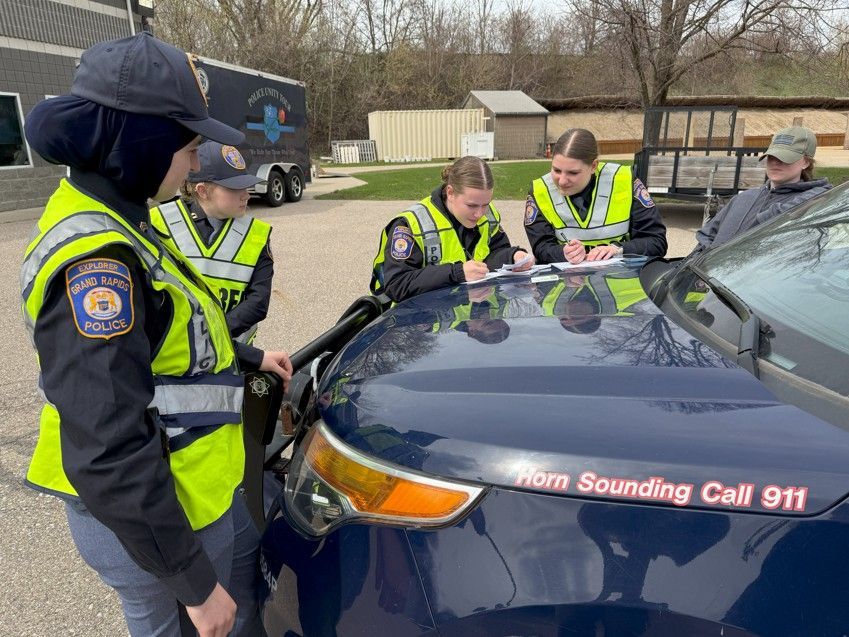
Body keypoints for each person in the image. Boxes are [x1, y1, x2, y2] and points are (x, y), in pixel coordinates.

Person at [20, 33, 293, 637]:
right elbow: (108, 443)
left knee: (247, 578)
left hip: (201, 487)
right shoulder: (98, 262)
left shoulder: (125, 213)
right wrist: (193, 584)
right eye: (189, 146)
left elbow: (170, 343)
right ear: (142, 138)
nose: (196, 163)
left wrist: (248, 355)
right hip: (161, 520)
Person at [150, 141, 273, 344]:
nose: (246, 194)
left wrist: (208, 334)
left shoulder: (257, 233)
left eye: (246, 185)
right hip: (175, 357)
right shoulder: (157, 222)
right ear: (202, 190)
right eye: (235, 188)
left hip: (235, 357)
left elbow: (258, 302)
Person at [370, 155, 534, 304]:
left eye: (486, 204)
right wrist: (457, 273)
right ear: (450, 192)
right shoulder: (410, 225)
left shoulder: (487, 217)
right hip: (419, 322)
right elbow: (397, 285)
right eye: (471, 205)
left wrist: (512, 256)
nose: (479, 213)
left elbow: (493, 254)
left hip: (463, 317)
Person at [524, 128, 667, 264]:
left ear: (593, 166)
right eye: (556, 170)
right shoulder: (540, 189)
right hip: (568, 281)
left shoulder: (624, 180)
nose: (561, 181)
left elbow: (656, 242)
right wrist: (563, 253)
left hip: (620, 280)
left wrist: (617, 249)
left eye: (573, 173)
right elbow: (541, 247)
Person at [692, 125, 831, 253]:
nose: (775, 162)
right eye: (772, 156)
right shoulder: (744, 197)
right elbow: (706, 235)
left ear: (806, 162)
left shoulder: (812, 201)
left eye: (785, 157)